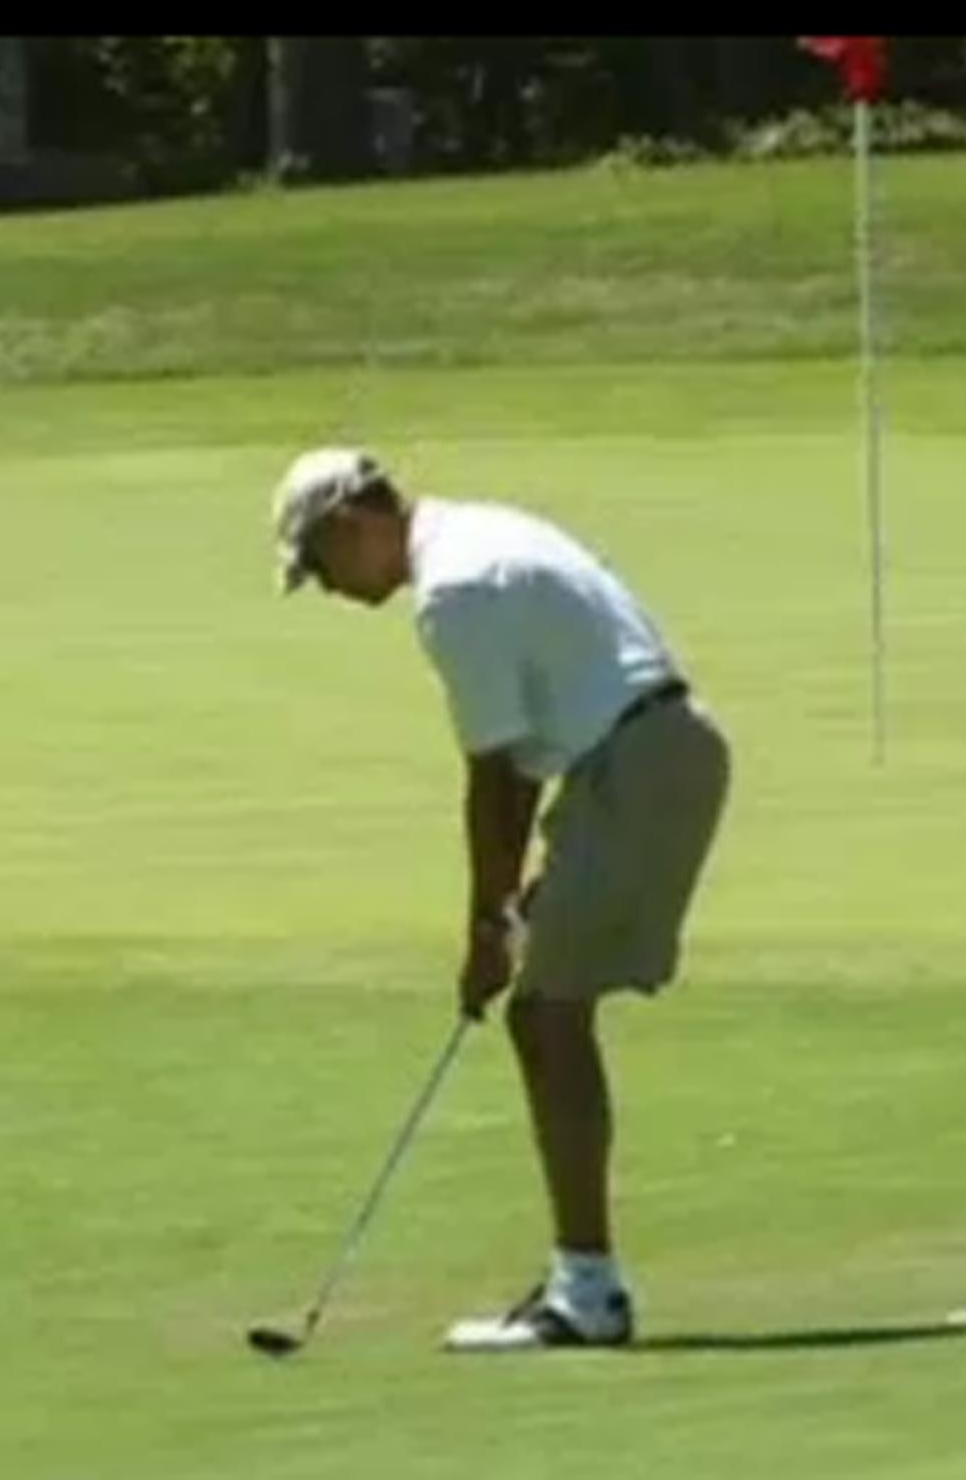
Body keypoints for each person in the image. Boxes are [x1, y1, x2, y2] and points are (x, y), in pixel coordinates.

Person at [271, 446, 731, 1350]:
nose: (327, 588)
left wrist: (488, 925)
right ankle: (583, 1281)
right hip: (644, 755)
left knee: (546, 1014)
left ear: (353, 525)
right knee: (549, 1009)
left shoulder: (454, 592)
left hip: (637, 763)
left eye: (320, 566)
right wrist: (507, 907)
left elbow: (501, 776)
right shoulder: (480, 532)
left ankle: (587, 1293)